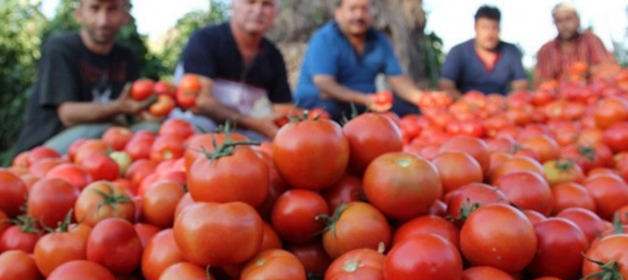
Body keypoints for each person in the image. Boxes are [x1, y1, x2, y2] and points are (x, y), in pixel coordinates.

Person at [14, 0, 152, 155]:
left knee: (151, 130)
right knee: (107, 129)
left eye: (112, 9)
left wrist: (148, 112)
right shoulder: (61, 48)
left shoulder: (127, 57)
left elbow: (131, 109)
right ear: (79, 13)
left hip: (95, 149)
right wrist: (120, 107)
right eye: (95, 8)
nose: (103, 21)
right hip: (45, 148)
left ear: (125, 15)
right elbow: (68, 115)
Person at [176, 0, 293, 141]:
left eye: (267, 4)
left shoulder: (273, 56)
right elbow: (199, 102)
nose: (258, 10)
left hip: (242, 129)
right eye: (250, 2)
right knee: (202, 130)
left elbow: (283, 109)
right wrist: (255, 124)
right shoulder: (205, 40)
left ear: (275, 12)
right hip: (197, 121)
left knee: (268, 143)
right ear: (233, 5)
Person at [294, 0, 423, 122]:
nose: (359, 15)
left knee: (410, 109)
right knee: (327, 114)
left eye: (365, 9)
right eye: (352, 8)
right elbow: (325, 87)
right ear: (338, 13)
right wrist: (366, 99)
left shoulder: (380, 41)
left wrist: (422, 98)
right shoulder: (324, 39)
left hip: (364, 104)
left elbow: (398, 80)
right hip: (323, 102)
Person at [439, 5, 528, 99]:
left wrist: (505, 103)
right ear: (475, 28)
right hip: (464, 109)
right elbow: (446, 85)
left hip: (501, 108)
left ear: (499, 29)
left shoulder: (511, 51)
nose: (489, 34)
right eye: (484, 28)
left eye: (494, 28)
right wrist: (469, 104)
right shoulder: (458, 52)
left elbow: (521, 85)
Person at [533, 2, 619, 86]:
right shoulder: (546, 50)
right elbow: (541, 84)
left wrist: (587, 72)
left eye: (568, 19)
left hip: (592, 93)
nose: (564, 25)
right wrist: (565, 82)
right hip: (561, 97)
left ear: (578, 20)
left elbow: (610, 68)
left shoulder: (591, 40)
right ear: (554, 24)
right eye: (559, 21)